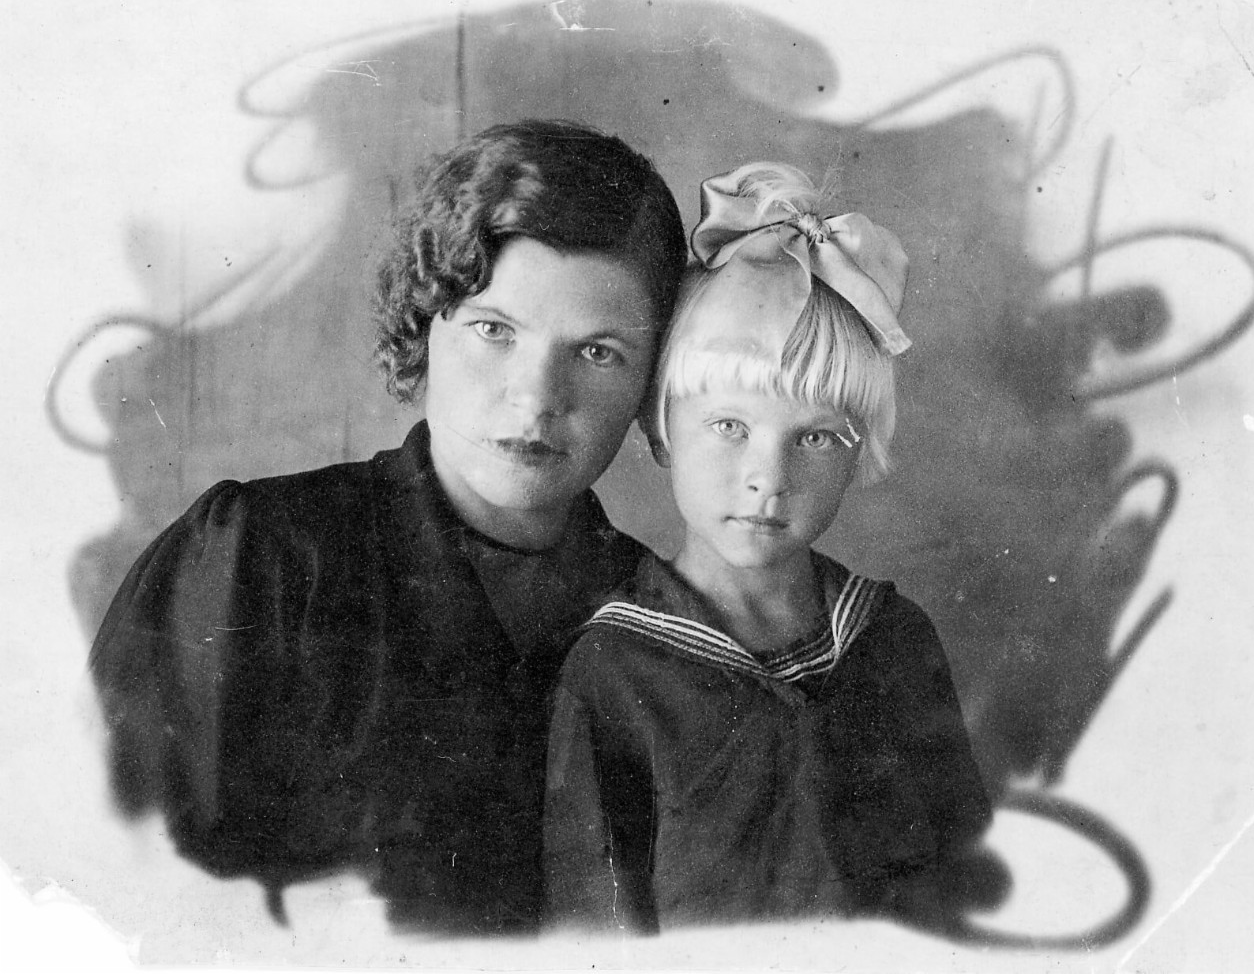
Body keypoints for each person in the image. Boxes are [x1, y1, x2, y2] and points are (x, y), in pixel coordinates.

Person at [88, 120, 688, 934]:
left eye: (598, 352)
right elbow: (105, 904)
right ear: (427, 319)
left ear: (653, 380)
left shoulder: (671, 622)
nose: (537, 396)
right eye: (494, 330)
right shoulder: (260, 559)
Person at [542, 162, 994, 932]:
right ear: (660, 431)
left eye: (815, 437)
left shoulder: (892, 638)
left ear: (859, 453)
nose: (768, 478)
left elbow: (975, 893)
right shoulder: (612, 673)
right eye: (729, 426)